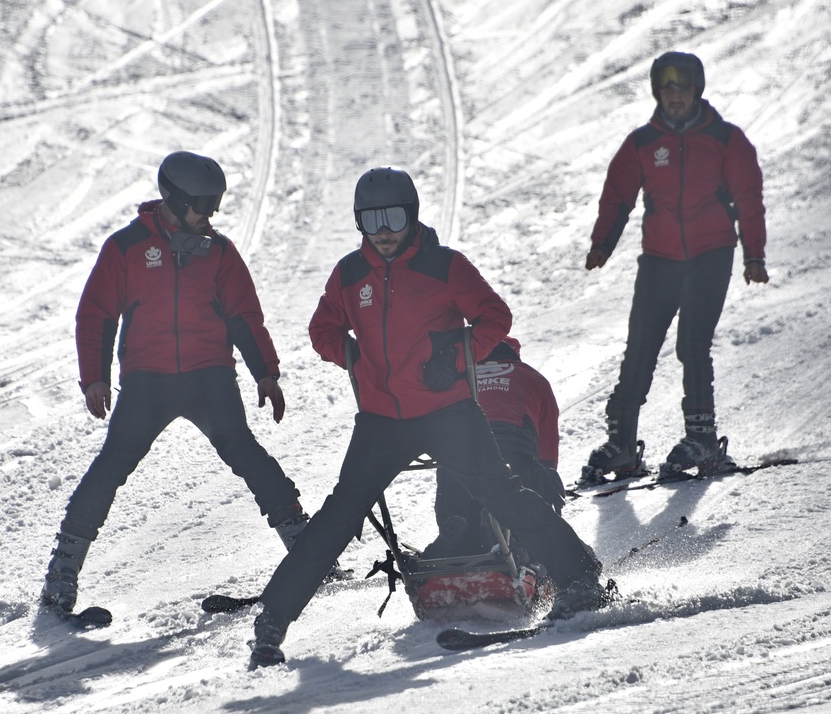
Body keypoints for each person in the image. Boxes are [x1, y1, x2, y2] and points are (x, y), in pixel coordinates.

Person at [248, 167, 608, 668]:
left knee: (501, 494)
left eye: (393, 216)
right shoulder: (351, 275)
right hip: (382, 419)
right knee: (338, 515)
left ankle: (581, 580)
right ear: (359, 223)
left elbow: (495, 318)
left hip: (447, 411)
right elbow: (322, 328)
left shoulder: (445, 267)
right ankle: (272, 621)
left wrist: (456, 360)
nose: (384, 229)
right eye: (371, 219)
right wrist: (355, 359)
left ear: (412, 215)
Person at [41, 151, 316, 615]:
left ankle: (310, 552)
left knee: (245, 452)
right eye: (202, 205)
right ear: (173, 198)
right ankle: (62, 573)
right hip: (148, 381)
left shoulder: (220, 252)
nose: (209, 215)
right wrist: (95, 377)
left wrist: (264, 372)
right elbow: (97, 314)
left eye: (215, 205)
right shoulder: (126, 248)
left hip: (209, 376)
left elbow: (244, 317)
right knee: (112, 466)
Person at [582, 51, 770, 483]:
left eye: (683, 87)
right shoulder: (643, 143)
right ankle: (622, 447)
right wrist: (602, 244)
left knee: (692, 345)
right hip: (660, 259)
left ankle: (701, 439)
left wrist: (754, 254)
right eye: (667, 88)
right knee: (640, 349)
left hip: (710, 253)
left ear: (696, 91)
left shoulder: (726, 139)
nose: (675, 96)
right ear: (657, 93)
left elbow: (748, 197)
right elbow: (618, 195)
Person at [425, 336, 566, 561]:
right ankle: (504, 537)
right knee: (519, 514)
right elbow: (547, 455)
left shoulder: (457, 379)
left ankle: (456, 534)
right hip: (511, 457)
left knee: (459, 517)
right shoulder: (534, 378)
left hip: (457, 463)